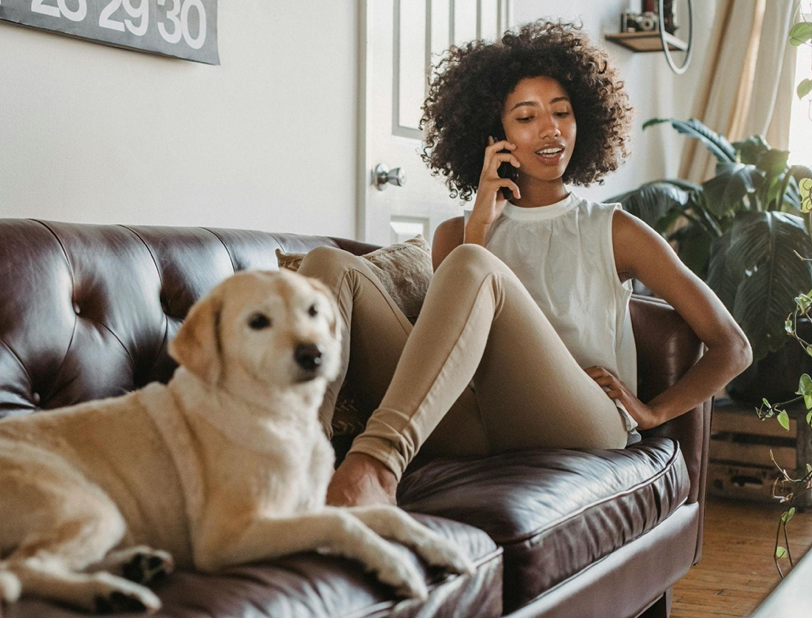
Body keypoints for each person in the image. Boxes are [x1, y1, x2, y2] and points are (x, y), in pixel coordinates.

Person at [298, 20, 752, 508]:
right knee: (328, 266)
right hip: (473, 421)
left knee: (474, 267)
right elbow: (447, 354)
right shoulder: (459, 235)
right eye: (526, 116)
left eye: (562, 112)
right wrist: (480, 229)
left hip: (579, 421)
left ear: (585, 122)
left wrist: (651, 412)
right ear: (495, 134)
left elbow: (733, 346)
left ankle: (376, 466)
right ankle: (302, 459)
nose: (551, 129)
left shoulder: (614, 230)